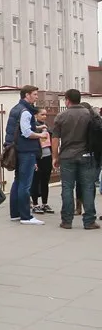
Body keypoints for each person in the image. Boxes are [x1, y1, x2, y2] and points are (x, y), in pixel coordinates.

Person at [51, 89, 99, 230]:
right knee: (88, 187)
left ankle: (67, 220)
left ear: (67, 100)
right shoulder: (89, 114)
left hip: (67, 156)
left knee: (67, 187)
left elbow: (55, 139)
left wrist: (55, 157)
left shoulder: (61, 116)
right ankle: (89, 221)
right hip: (87, 155)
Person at [4, 85, 50, 225]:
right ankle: (26, 216)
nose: (36, 97)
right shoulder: (26, 111)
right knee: (25, 184)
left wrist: (36, 127)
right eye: (35, 94)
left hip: (17, 149)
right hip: (26, 151)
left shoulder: (16, 108)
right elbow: (26, 133)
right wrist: (40, 135)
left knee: (18, 181)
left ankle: (15, 214)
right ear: (27, 95)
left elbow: (19, 128)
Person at [31, 111, 55, 215]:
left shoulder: (46, 127)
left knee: (45, 181)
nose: (44, 116)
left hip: (47, 156)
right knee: (35, 180)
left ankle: (45, 203)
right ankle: (35, 204)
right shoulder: (33, 127)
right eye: (42, 114)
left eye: (46, 114)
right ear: (36, 115)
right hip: (37, 157)